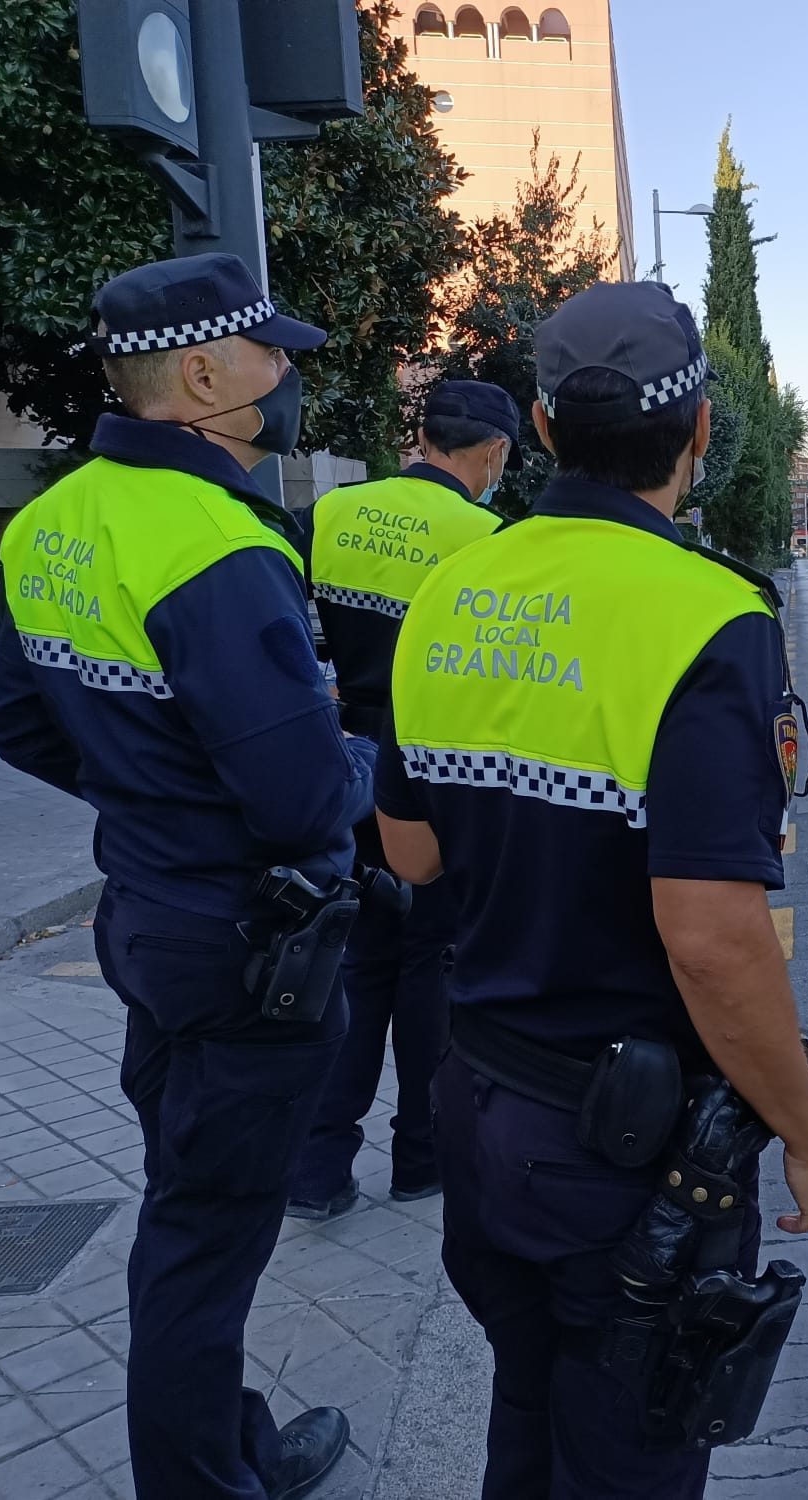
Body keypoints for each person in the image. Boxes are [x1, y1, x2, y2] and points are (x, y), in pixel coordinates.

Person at [373, 281, 808, 1498]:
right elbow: (708, 940)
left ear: (540, 430)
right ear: (699, 431)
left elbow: (410, 854)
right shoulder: (708, 617)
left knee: (528, 1427)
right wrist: (807, 1132)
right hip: (621, 1161)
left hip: (480, 1108)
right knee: (629, 1456)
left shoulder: (449, 592)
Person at [0, 253, 374, 1499]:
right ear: (203, 375)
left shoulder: (48, 522)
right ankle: (204, 1480)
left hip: (150, 920)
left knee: (187, 1201)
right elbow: (303, 795)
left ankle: (223, 1438)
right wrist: (362, 759)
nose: (290, 375)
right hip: (249, 942)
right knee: (204, 1238)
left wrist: (145, 802)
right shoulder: (213, 539)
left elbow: (19, 727)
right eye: (274, 354)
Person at [286, 381, 513, 1219]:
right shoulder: (490, 538)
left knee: (351, 963)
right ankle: (423, 1158)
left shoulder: (334, 515)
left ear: (418, 435)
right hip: (433, 777)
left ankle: (317, 1172)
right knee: (430, 968)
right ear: (492, 454)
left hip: (341, 762)